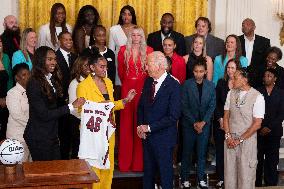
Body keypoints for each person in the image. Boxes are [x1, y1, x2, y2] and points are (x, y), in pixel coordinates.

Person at [76, 52, 136, 189]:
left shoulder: (109, 82)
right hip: (92, 134)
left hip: (108, 132)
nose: (105, 69)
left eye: (106, 67)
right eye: (101, 66)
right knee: (93, 169)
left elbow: (111, 105)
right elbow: (81, 111)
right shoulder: (83, 86)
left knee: (107, 168)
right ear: (92, 67)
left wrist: (125, 101)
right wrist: (103, 104)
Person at [23, 46, 85, 161]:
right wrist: (71, 106)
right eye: (49, 59)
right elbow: (44, 114)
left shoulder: (50, 78)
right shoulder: (33, 83)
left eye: (55, 59)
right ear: (41, 60)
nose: (54, 62)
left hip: (50, 134)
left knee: (54, 172)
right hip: (39, 136)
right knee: (45, 175)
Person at [137, 51, 181, 189]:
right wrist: (140, 126)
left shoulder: (174, 86)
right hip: (147, 138)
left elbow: (173, 116)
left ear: (160, 66)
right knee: (148, 175)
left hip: (164, 139)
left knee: (165, 176)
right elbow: (141, 107)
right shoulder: (148, 81)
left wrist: (149, 127)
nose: (146, 67)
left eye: (148, 64)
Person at [117, 26, 153, 172]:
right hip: (127, 88)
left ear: (142, 36)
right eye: (133, 35)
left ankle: (139, 164)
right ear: (130, 36)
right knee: (126, 125)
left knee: (140, 123)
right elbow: (121, 72)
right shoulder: (122, 50)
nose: (136, 37)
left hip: (143, 88)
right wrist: (128, 84)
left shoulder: (149, 51)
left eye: (139, 35)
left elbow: (151, 71)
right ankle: (125, 163)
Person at [223, 68, 265, 189]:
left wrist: (239, 139)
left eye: (236, 77)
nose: (232, 79)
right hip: (230, 141)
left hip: (247, 142)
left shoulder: (258, 97)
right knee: (229, 177)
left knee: (245, 178)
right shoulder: (230, 93)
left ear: (245, 80)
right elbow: (226, 116)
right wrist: (228, 136)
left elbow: (257, 124)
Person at [180, 58, 216, 189]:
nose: (198, 74)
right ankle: (184, 179)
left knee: (201, 154)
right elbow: (184, 106)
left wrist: (203, 122)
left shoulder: (211, 86)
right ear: (193, 71)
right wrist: (195, 123)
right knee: (187, 153)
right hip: (189, 125)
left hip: (204, 126)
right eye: (196, 71)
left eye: (201, 71)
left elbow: (212, 106)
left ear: (206, 71)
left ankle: (201, 179)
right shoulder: (186, 85)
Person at [214, 59, 241, 188]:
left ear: (238, 70)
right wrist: (220, 119)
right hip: (221, 124)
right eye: (228, 68)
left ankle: (233, 178)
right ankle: (220, 178)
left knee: (234, 152)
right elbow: (216, 102)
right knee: (220, 151)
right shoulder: (221, 82)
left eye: (233, 68)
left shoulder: (241, 84)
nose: (230, 70)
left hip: (236, 124)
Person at [256, 69, 284, 187]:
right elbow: (254, 112)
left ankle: (271, 184)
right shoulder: (257, 91)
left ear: (275, 79)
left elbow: (282, 113)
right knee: (257, 159)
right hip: (258, 131)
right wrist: (261, 127)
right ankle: (256, 183)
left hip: (274, 132)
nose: (266, 77)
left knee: (272, 160)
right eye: (265, 75)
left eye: (270, 75)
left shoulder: (281, 93)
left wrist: (269, 127)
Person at [56, 31, 77, 160]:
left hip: (74, 102)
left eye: (70, 39)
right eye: (66, 40)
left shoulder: (75, 57)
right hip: (61, 102)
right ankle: (63, 161)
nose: (69, 42)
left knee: (74, 133)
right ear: (59, 41)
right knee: (63, 134)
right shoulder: (55, 56)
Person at [6, 63, 31, 162]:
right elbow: (18, 116)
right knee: (19, 170)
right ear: (17, 78)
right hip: (17, 138)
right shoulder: (12, 93)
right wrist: (35, 125)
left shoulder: (32, 91)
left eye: (28, 74)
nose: (27, 77)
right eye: (24, 75)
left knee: (32, 169)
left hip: (31, 136)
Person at [67, 56, 91, 158]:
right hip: (79, 122)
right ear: (79, 67)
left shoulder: (94, 81)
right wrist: (85, 117)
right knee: (78, 152)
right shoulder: (74, 83)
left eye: (89, 64)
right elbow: (73, 108)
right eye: (85, 65)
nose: (88, 67)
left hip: (91, 123)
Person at [109, 5, 137, 86]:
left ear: (133, 16)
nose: (126, 16)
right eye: (124, 14)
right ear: (121, 15)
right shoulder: (114, 29)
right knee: (119, 86)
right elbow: (111, 50)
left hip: (134, 62)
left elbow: (142, 47)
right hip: (118, 62)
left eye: (129, 14)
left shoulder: (137, 29)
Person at [239, 18, 270, 88]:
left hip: (258, 79)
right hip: (240, 77)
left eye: (247, 24)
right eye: (243, 25)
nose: (245, 27)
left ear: (254, 27)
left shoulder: (264, 42)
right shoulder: (237, 40)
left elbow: (267, 60)